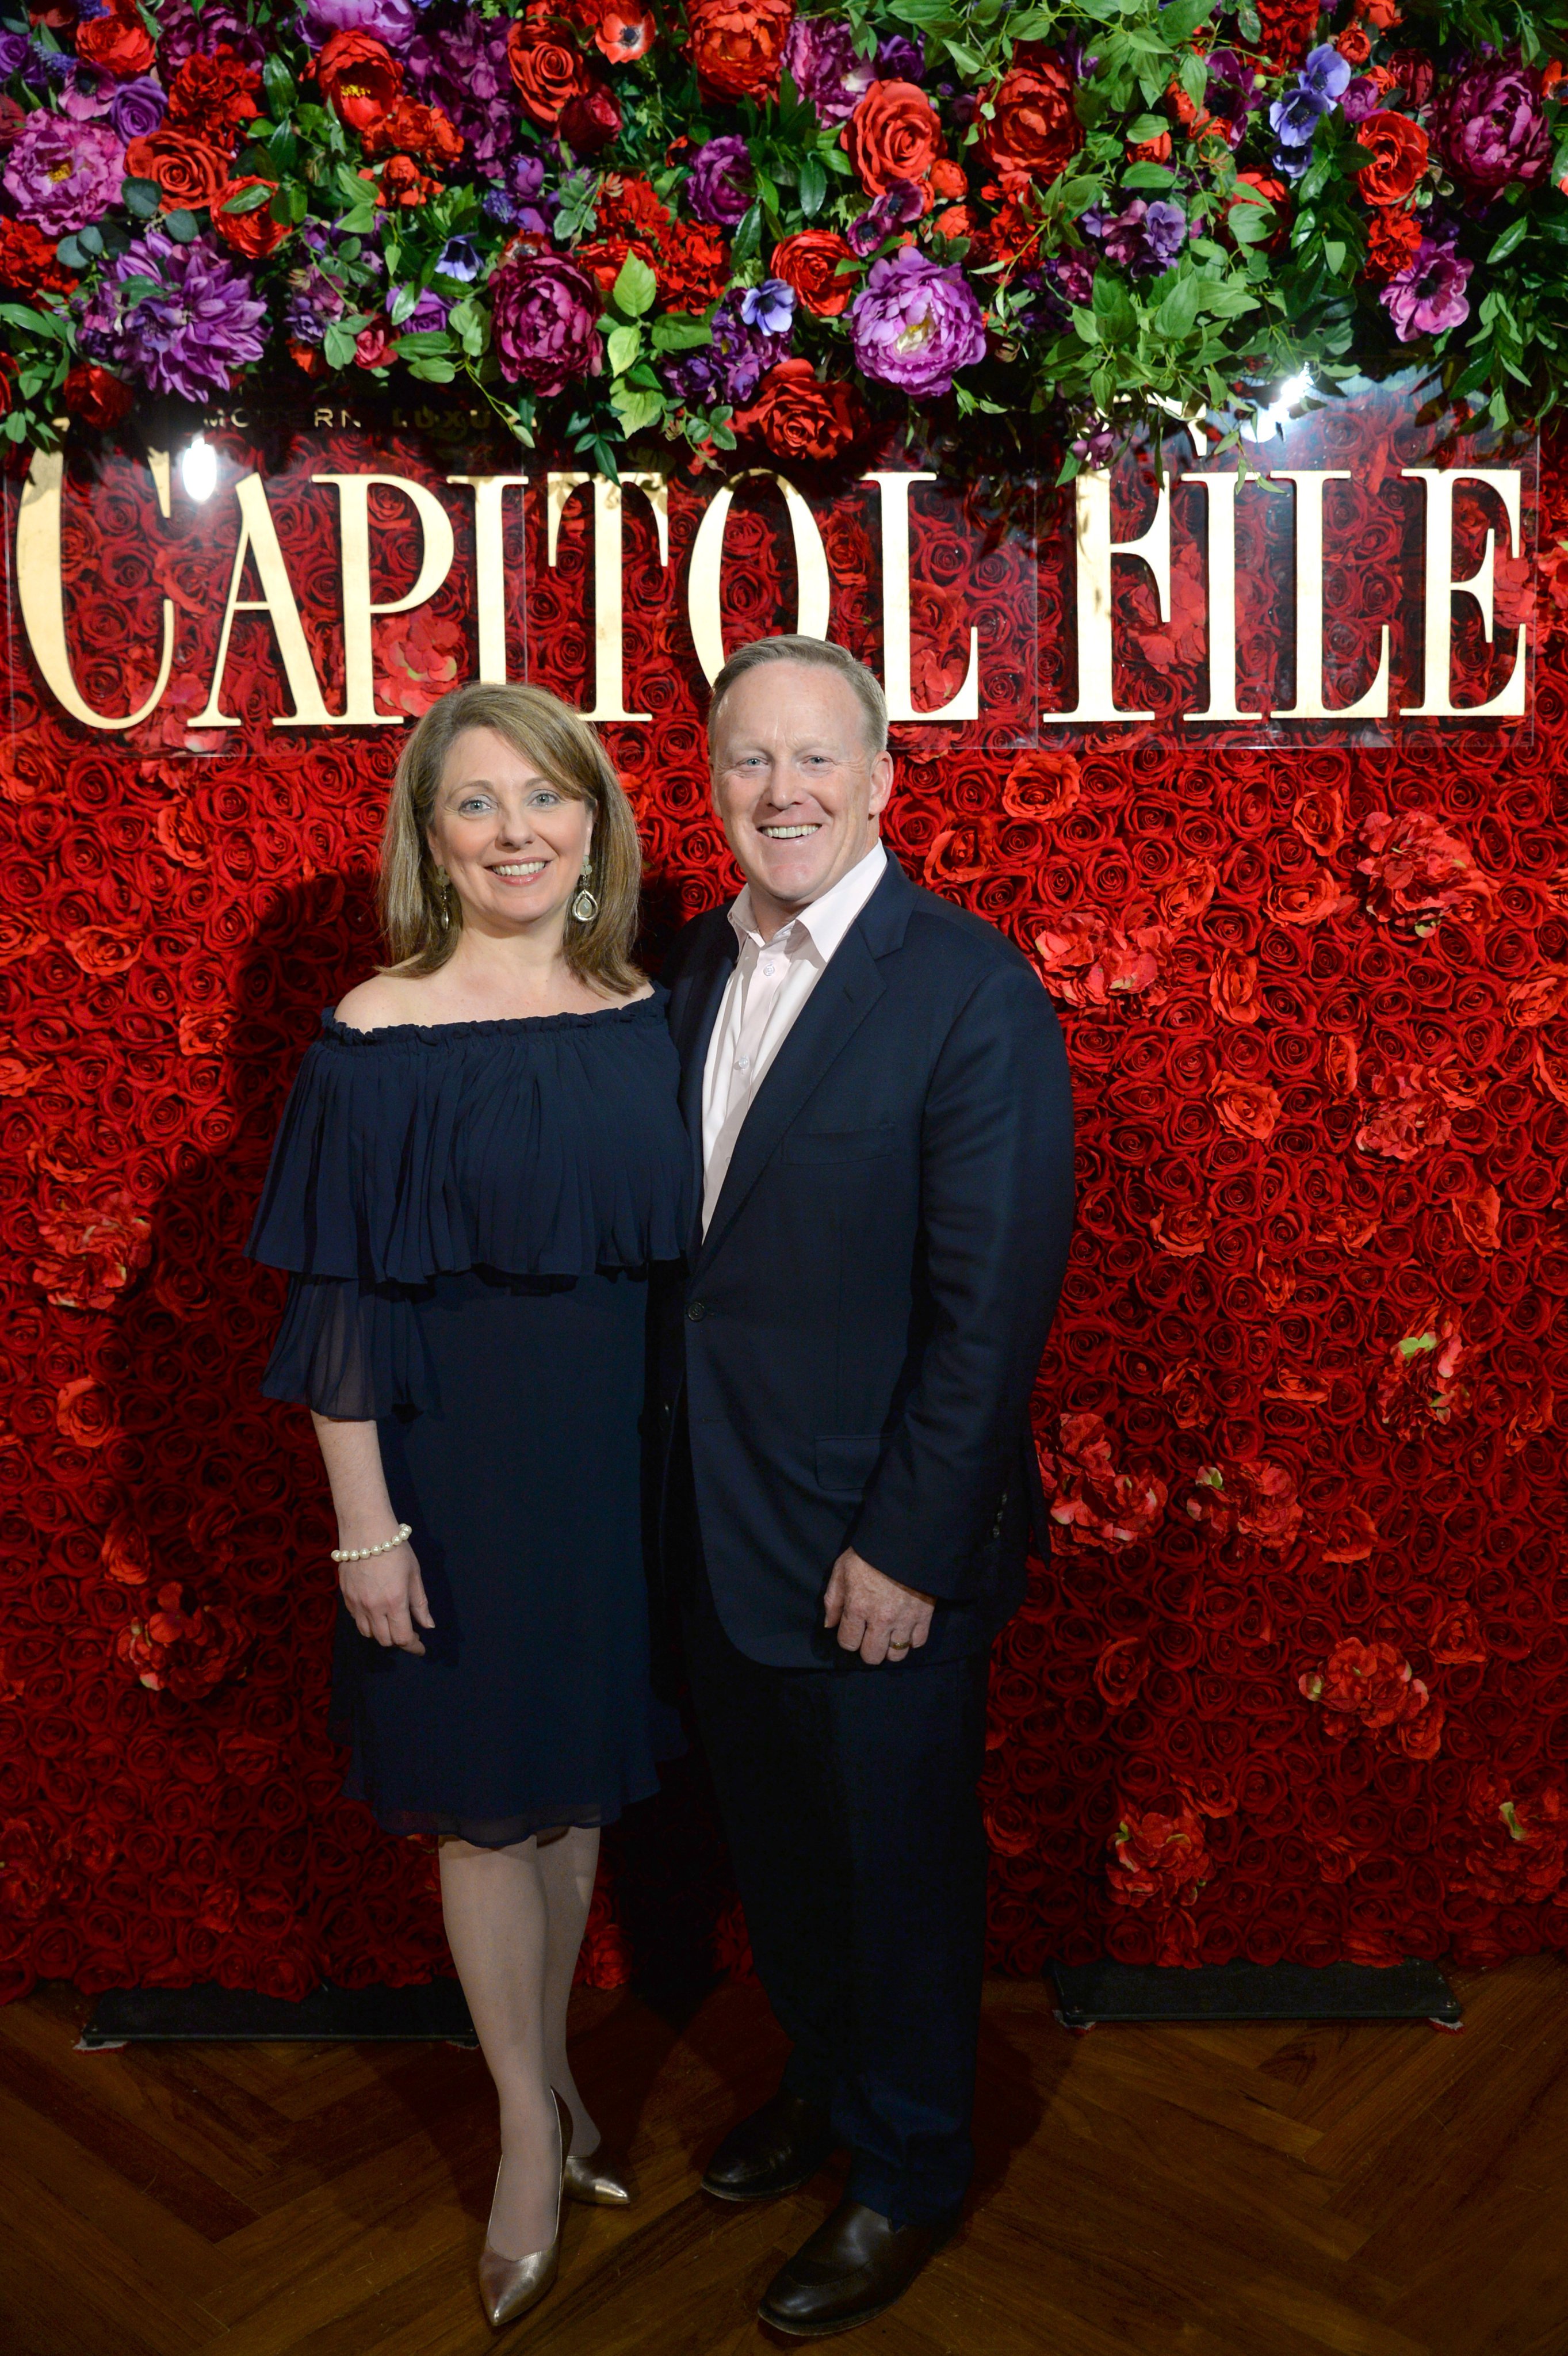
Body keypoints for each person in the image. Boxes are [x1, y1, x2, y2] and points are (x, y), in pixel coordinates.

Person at [248, 681, 690, 2331]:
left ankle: (560, 2082)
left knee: (570, 1799)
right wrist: (367, 1527)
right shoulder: (380, 1030)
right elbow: (341, 1307)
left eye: (546, 797)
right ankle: (525, 2128)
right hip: (452, 1476)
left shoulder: (644, 1002)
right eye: (478, 805)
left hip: (609, 1476)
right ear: (428, 841)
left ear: (595, 819)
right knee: (482, 1811)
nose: (519, 832)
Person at [653, 635, 1075, 2338]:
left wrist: (905, 1545)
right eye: (750, 762)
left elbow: (993, 1307)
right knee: (783, 1859)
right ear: (712, 784)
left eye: (817, 759)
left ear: (887, 778)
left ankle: (905, 2170)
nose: (784, 792)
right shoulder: (683, 968)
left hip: (875, 1551)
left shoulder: (967, 989)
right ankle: (824, 2089)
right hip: (713, 1529)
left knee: (898, 1877)